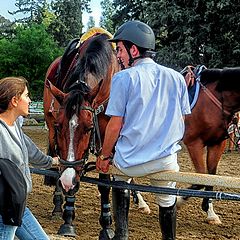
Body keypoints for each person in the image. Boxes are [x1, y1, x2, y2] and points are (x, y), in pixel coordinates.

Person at [96, 20, 191, 240]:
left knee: (118, 179)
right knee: (167, 201)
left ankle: (122, 235)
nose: (118, 56)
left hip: (130, 162)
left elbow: (115, 124)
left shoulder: (122, 78)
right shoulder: (177, 77)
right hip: (166, 160)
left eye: (119, 49)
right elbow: (182, 117)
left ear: (134, 50)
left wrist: (104, 155)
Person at [0, 76, 59, 240]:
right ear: (14, 100)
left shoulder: (15, 126)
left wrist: (53, 162)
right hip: (4, 207)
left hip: (18, 204)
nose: (30, 100)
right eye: (26, 96)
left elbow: (31, 151)